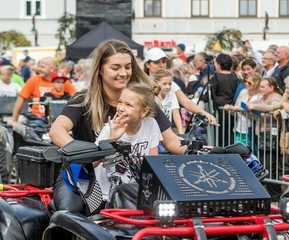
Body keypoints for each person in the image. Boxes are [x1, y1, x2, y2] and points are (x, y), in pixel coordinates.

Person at [49, 39, 187, 213]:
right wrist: (86, 153)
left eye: (128, 67)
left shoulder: (142, 102)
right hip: (80, 176)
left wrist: (208, 150)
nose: (123, 73)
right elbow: (56, 131)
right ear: (100, 69)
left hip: (129, 183)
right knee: (71, 212)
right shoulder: (84, 100)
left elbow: (173, 142)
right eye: (116, 68)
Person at [94, 82, 162, 202]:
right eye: (120, 102)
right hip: (106, 195)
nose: (121, 108)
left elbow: (153, 164)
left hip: (135, 192)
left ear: (144, 112)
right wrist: (111, 139)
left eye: (128, 105)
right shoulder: (110, 128)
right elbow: (91, 163)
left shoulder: (151, 124)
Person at [142, 48, 216, 125]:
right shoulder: (142, 83)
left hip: (164, 130)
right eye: (156, 62)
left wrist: (206, 114)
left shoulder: (171, 83)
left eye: (163, 62)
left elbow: (186, 102)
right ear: (147, 64)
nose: (161, 65)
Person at [11, 57, 76, 127]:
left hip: (59, 119)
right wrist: (14, 120)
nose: (39, 69)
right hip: (38, 118)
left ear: (52, 68)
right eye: (38, 66)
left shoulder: (62, 81)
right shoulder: (34, 80)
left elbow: (76, 98)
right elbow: (21, 99)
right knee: (32, 127)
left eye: (42, 67)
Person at [248, 77, 284, 200]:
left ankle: (274, 193)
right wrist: (251, 109)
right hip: (262, 133)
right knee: (264, 163)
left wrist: (254, 106)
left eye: (263, 87)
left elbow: (272, 108)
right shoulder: (262, 98)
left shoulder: (276, 97)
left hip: (271, 133)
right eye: (261, 87)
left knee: (271, 163)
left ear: (271, 87)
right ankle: (268, 191)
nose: (261, 89)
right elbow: (258, 111)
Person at [225, 73, 261, 146]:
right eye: (246, 81)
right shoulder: (243, 92)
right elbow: (236, 108)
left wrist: (240, 108)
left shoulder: (260, 96)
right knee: (238, 150)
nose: (246, 84)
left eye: (249, 83)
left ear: (256, 84)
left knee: (251, 151)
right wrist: (230, 109)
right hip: (239, 127)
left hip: (252, 128)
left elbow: (257, 114)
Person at [153, 68, 183, 133]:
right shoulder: (152, 97)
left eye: (170, 84)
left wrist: (181, 132)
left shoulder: (172, 95)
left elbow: (176, 115)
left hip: (167, 130)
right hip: (155, 131)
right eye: (164, 84)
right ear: (156, 83)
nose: (168, 87)